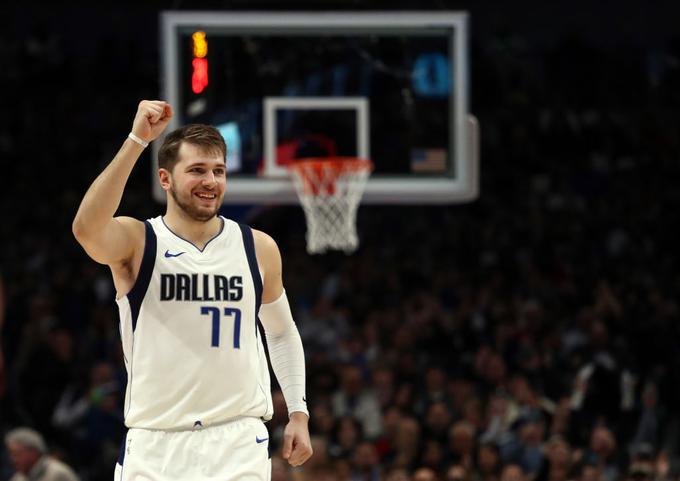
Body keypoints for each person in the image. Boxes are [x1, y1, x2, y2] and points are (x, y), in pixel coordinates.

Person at [72, 100, 312, 480]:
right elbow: (87, 229)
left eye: (218, 170)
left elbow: (281, 331)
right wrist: (137, 140)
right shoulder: (139, 241)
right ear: (165, 179)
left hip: (237, 441)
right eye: (197, 170)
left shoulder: (258, 247)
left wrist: (298, 411)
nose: (211, 181)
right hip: (155, 443)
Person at [4, 427, 79, 481]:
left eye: (16, 454)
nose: (13, 460)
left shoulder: (58, 473)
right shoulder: (18, 478)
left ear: (33, 452)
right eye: (11, 455)